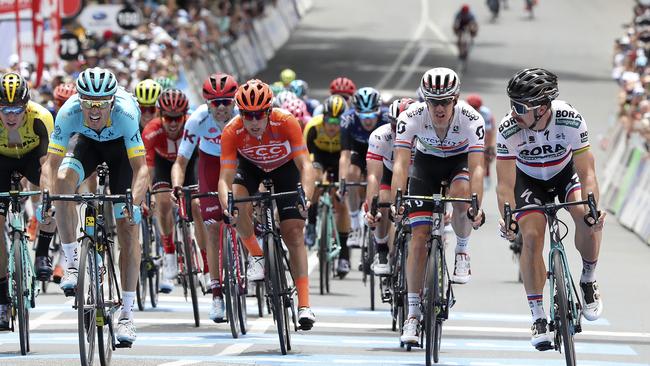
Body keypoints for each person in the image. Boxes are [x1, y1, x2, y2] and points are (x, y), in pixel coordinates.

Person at [496, 68, 606, 350]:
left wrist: (593, 206)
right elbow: (505, 185)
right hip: (528, 180)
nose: (514, 112)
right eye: (512, 104)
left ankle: (588, 278)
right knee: (531, 237)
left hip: (564, 175)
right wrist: (507, 217)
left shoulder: (570, 119)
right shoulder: (509, 128)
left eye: (520, 107)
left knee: (585, 216)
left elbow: (587, 172)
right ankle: (538, 316)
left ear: (542, 107)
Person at [41, 67, 148, 345]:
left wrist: (133, 204)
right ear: (80, 100)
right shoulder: (68, 112)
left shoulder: (126, 115)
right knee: (63, 180)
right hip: (87, 145)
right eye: (88, 102)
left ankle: (126, 315)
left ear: (112, 102)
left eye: (101, 104)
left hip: (120, 152)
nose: (94, 110)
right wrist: (48, 196)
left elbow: (141, 169)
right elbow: (51, 164)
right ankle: (73, 262)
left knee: (127, 227)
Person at [390, 68, 486, 345]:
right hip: (425, 165)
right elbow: (400, 163)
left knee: (461, 194)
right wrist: (397, 197)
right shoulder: (410, 118)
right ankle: (411, 314)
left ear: (455, 100)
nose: (440, 108)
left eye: (445, 102)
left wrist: (476, 204)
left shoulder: (471, 118)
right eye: (434, 102)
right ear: (425, 101)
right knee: (418, 239)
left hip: (459, 163)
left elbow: (478, 168)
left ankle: (462, 250)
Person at [217, 79, 316, 330]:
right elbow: (224, 179)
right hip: (250, 169)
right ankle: (257, 254)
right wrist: (227, 205)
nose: (253, 121)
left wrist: (307, 195)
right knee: (238, 205)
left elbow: (305, 165)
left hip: (285, 170)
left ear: (269, 112)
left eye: (259, 115)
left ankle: (304, 304)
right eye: (247, 115)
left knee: (293, 232)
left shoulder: (286, 122)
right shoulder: (231, 131)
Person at [171, 72, 239, 322]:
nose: (221, 108)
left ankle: (257, 252)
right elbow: (181, 161)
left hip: (239, 161)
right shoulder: (197, 120)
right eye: (215, 103)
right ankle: (217, 294)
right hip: (210, 163)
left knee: (249, 206)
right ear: (207, 103)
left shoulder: (244, 116)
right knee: (212, 227)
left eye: (226, 102)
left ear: (234, 101)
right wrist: (177, 185)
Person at [0, 73, 56, 330]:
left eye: (17, 110)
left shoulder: (41, 117)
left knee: (53, 195)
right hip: (2, 161)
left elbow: (47, 165)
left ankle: (42, 253)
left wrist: (46, 196)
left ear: (26, 107)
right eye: (5, 110)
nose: (11, 116)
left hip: (33, 158)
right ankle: (2, 299)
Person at [142, 89, 208, 296]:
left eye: (177, 118)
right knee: (162, 201)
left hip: (190, 163)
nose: (172, 123)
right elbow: (147, 170)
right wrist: (147, 194)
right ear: (160, 115)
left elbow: (207, 157)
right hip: (162, 163)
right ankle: (169, 253)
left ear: (185, 116)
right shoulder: (151, 131)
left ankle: (207, 264)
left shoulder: (193, 125)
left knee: (198, 207)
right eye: (168, 118)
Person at [337, 87, 390, 277]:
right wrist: (342, 181)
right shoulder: (348, 119)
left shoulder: (387, 117)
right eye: (363, 114)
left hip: (382, 154)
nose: (367, 119)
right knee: (351, 173)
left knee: (382, 188)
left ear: (379, 110)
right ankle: (355, 224)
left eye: (371, 114)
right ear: (355, 112)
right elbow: (344, 155)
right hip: (360, 151)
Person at [364, 98, 415, 275]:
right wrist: (371, 208)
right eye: (395, 125)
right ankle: (382, 249)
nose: (399, 130)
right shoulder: (380, 136)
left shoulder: (427, 135)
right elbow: (373, 177)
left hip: (416, 176)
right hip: (389, 173)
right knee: (383, 202)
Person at [303, 95, 348, 248]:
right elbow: (304, 156)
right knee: (315, 182)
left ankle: (343, 250)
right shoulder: (313, 126)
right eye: (329, 120)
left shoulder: (346, 129)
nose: (332, 126)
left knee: (339, 195)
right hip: (319, 155)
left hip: (338, 157)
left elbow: (348, 157)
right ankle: (311, 225)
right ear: (323, 117)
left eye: (337, 121)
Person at [465, 94, 496, 187]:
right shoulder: (462, 110)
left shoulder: (485, 113)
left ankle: (485, 171)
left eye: (476, 108)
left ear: (480, 107)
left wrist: (489, 147)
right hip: (468, 133)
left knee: (486, 153)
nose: (474, 110)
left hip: (482, 134)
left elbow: (489, 132)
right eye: (472, 107)